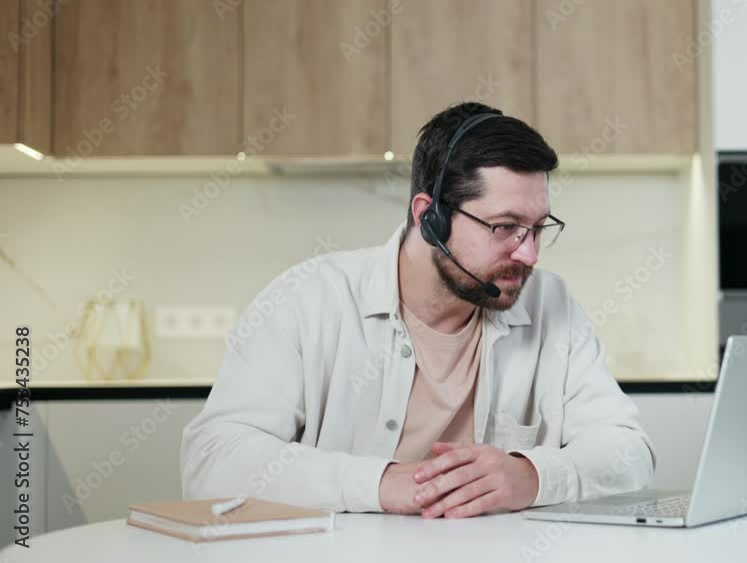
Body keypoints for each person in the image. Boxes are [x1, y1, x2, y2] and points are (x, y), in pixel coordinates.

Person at [180, 102, 655, 519]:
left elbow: (629, 451)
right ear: (430, 216)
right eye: (506, 227)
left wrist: (531, 475)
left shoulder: (551, 304)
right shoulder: (309, 299)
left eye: (537, 229)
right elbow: (212, 461)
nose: (529, 253)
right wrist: (383, 483)